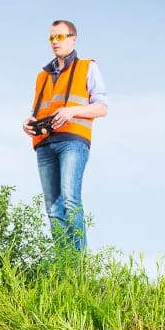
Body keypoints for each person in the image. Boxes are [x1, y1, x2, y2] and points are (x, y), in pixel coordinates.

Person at [23, 19, 107, 249]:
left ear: (73, 38)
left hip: (72, 141)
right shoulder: (42, 75)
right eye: (51, 37)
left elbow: (102, 108)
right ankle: (64, 266)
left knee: (70, 200)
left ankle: (78, 266)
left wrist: (72, 112)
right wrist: (28, 123)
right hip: (44, 143)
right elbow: (37, 109)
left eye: (60, 37)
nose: (55, 42)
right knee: (52, 207)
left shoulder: (87, 66)